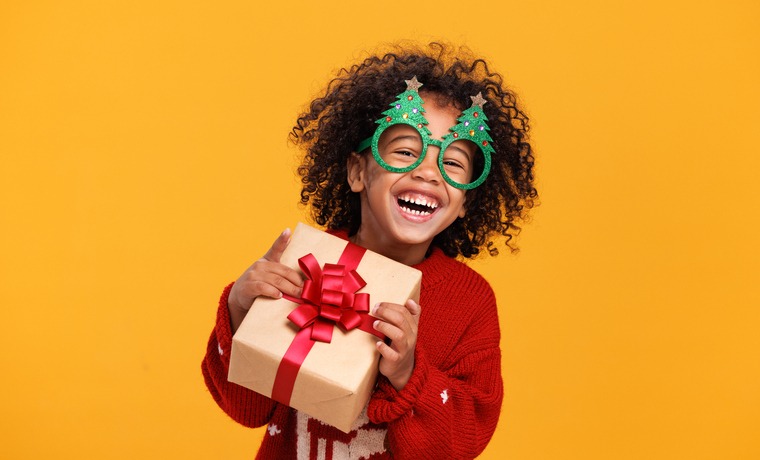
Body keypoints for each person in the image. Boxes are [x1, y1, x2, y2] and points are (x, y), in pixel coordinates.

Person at [202, 42, 537, 459]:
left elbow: (461, 444)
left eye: (452, 164)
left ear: (467, 200)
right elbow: (246, 407)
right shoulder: (306, 263)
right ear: (358, 171)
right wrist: (239, 308)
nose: (428, 172)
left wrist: (409, 374)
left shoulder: (470, 301)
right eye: (405, 152)